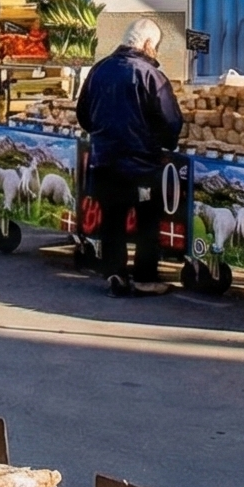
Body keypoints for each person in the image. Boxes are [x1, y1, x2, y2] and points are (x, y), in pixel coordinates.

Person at [75, 18, 183, 292]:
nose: (156, 50)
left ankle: (115, 274)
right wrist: (166, 143)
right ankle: (145, 278)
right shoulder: (150, 75)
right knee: (147, 223)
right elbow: (170, 120)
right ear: (147, 44)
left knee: (112, 221)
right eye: (155, 45)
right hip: (140, 164)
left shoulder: (99, 69)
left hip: (104, 160)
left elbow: (83, 114)